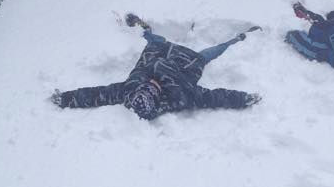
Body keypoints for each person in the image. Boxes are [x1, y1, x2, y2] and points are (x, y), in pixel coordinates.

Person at [51, 14, 262, 121]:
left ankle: (144, 28)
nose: (151, 84)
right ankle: (238, 39)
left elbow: (97, 94)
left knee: (154, 40)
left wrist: (67, 99)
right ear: (157, 97)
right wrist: (243, 98)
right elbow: (213, 97)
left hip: (157, 53)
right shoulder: (180, 97)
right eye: (153, 89)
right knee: (211, 52)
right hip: (188, 60)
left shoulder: (128, 90)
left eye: (145, 86)